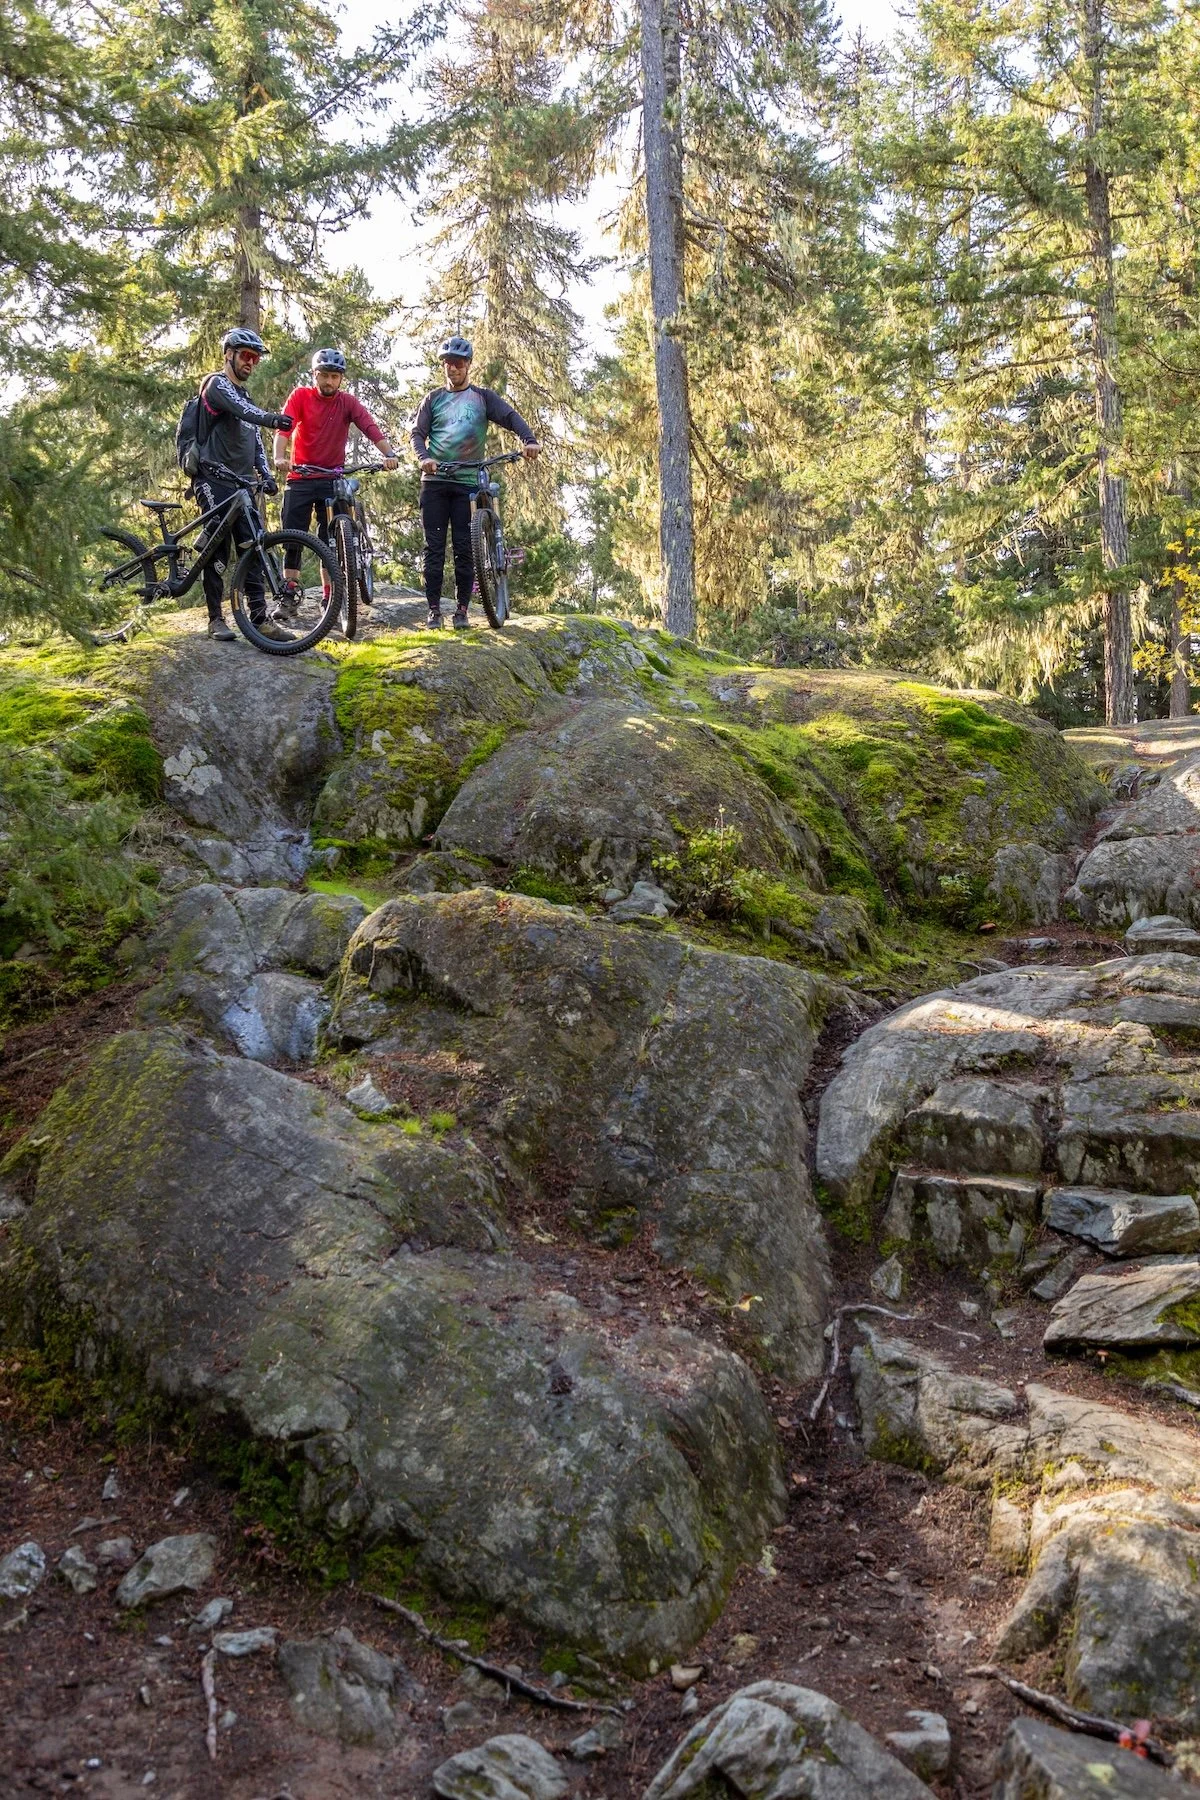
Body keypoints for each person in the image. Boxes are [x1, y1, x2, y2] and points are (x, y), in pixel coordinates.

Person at [410, 335, 540, 629]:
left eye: (457, 363)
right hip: (435, 481)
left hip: (468, 482)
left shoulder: (482, 397)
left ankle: (461, 611)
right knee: (434, 547)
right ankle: (433, 611)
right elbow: (417, 433)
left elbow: (510, 416)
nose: (452, 369)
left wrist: (529, 440)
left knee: (465, 547)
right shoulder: (433, 399)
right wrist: (424, 458)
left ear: (467, 365)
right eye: (447, 364)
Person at [273, 348, 400, 609]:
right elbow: (284, 427)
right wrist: (279, 457)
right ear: (314, 375)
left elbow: (369, 426)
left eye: (334, 376)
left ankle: (330, 594)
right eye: (324, 376)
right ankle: (290, 592)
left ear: (341, 378)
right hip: (301, 475)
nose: (329, 382)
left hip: (332, 477)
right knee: (292, 537)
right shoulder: (301, 396)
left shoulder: (348, 402)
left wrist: (389, 454)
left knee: (330, 540)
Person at [192, 327, 295, 643]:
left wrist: (264, 474)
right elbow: (244, 412)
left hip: (242, 486)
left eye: (255, 358)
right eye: (246, 356)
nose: (251, 362)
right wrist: (273, 418)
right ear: (229, 355)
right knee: (217, 550)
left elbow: (256, 443)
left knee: (254, 548)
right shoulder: (217, 385)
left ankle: (260, 619)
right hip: (212, 478)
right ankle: (215, 619)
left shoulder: (246, 396)